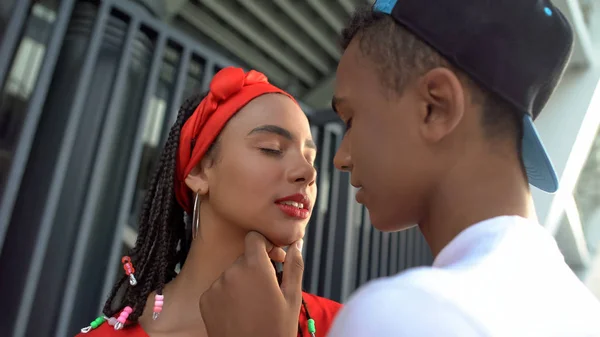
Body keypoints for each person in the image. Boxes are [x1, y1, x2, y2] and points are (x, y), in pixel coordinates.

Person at [198, 1, 600, 336]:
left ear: (435, 107)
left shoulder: (411, 313)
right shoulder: (580, 312)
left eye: (352, 120)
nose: (340, 158)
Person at [76, 67, 341, 337]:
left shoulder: (351, 324)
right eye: (271, 148)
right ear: (199, 172)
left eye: (310, 158)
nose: (308, 173)